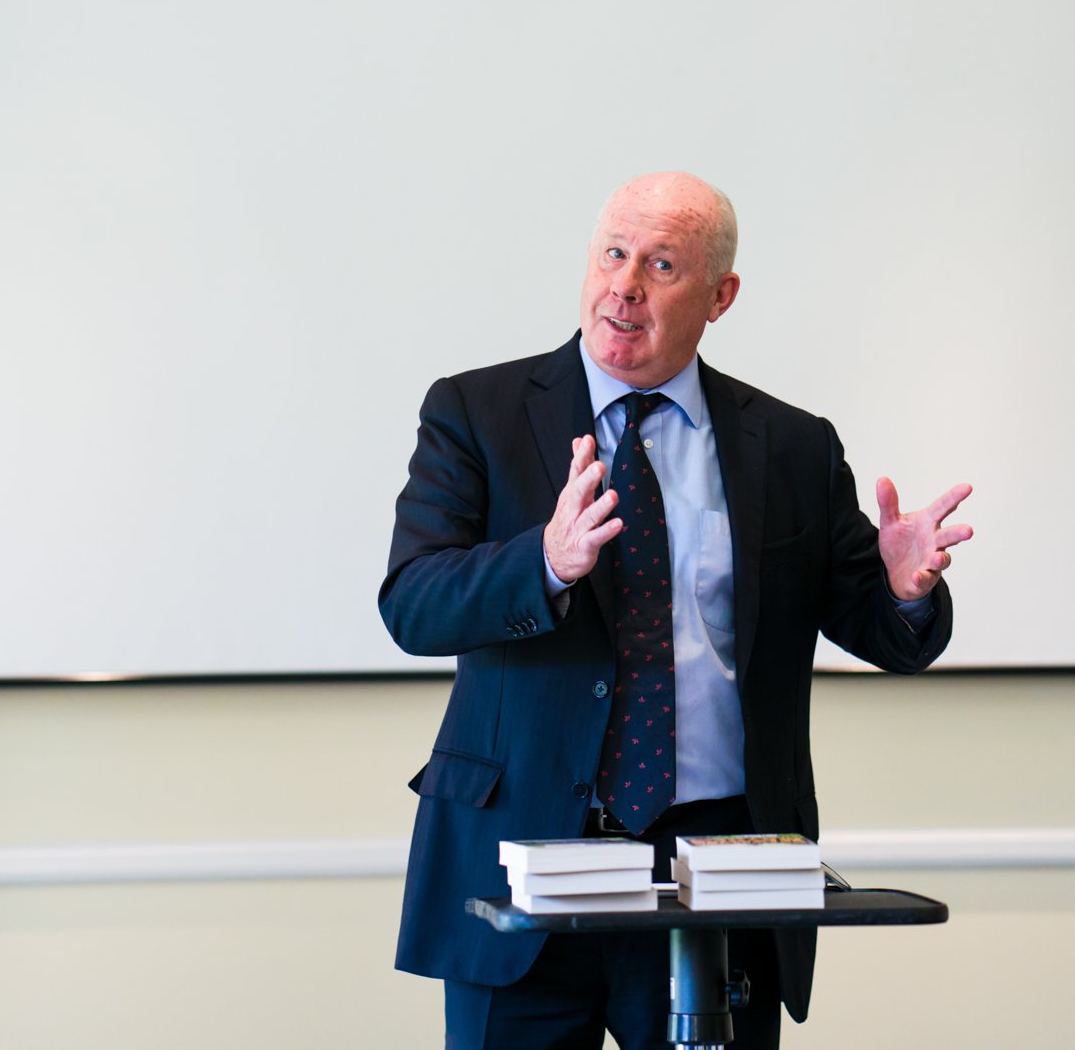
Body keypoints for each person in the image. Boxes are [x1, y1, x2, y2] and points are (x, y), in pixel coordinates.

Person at [380, 171, 973, 1049]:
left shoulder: (791, 445)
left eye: (660, 264)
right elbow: (414, 603)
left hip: (718, 874)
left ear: (720, 295)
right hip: (530, 860)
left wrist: (899, 587)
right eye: (613, 254)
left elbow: (882, 629)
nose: (624, 285)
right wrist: (543, 561)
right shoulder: (479, 412)